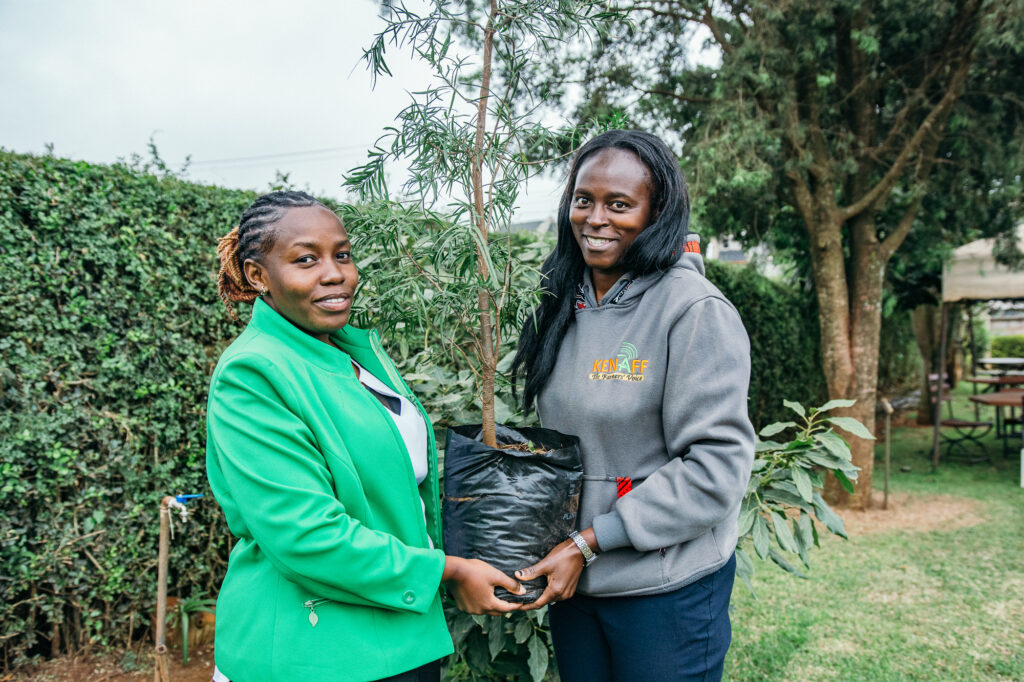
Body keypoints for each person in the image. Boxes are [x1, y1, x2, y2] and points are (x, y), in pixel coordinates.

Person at [206, 191, 523, 682]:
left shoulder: (355, 353)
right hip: (314, 654)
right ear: (257, 275)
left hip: (400, 639)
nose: (336, 274)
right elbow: (305, 535)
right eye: (306, 259)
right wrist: (447, 571)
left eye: (343, 254)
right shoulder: (255, 372)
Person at [511, 131, 755, 681]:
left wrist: (592, 539)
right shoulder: (558, 301)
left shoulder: (692, 311)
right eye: (583, 200)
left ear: (657, 212)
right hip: (576, 579)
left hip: (666, 588)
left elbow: (716, 470)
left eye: (619, 205)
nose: (595, 218)